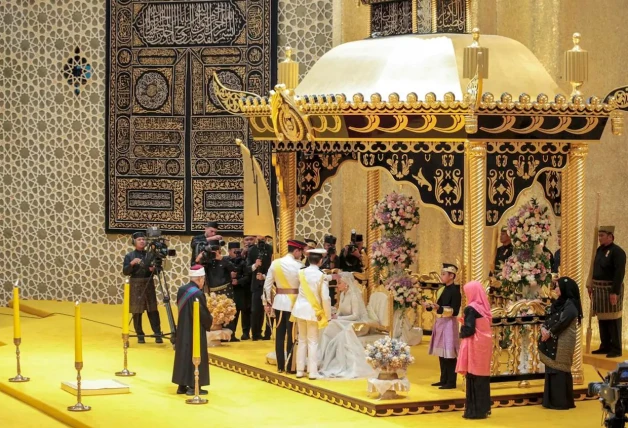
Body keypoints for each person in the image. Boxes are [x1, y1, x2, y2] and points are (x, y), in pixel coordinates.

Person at [318, 272, 375, 379]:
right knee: (327, 324)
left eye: (339, 283)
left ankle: (324, 360)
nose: (337, 285)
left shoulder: (354, 295)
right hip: (345, 321)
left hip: (358, 324)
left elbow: (355, 315)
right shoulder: (343, 294)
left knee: (331, 326)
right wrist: (334, 316)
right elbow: (340, 312)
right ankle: (321, 359)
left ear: (346, 284)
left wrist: (338, 318)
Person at [263, 239, 307, 373]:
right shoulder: (299, 266)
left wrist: (267, 303)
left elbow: (267, 286)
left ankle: (280, 366)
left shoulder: (275, 264)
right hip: (294, 303)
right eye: (301, 252)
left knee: (279, 335)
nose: (302, 255)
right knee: (292, 336)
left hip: (278, 303)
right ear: (296, 251)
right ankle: (290, 366)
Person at [539, 276, 583, 410]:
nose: (555, 289)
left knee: (559, 368)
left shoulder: (571, 305)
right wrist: (543, 328)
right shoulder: (560, 302)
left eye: (557, 286)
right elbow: (551, 318)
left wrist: (549, 333)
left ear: (565, 288)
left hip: (563, 342)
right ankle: (551, 401)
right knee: (553, 368)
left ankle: (559, 402)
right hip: (554, 339)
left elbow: (563, 322)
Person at [172, 265, 213, 396]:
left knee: (183, 354)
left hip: (182, 328)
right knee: (195, 354)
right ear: (200, 278)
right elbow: (202, 314)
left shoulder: (181, 290)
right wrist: (210, 322)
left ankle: (181, 385)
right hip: (195, 329)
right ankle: (193, 386)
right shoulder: (198, 293)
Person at [291, 248, 332, 379]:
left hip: (300, 310)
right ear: (320, 261)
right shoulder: (321, 276)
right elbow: (325, 298)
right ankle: (312, 372)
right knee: (313, 342)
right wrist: (328, 315)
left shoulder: (301, 272)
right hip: (313, 311)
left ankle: (299, 370)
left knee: (302, 340)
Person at [456, 280, 493, 420]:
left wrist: (462, 330)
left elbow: (469, 330)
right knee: (482, 377)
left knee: (473, 376)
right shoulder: (483, 307)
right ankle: (483, 409)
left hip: (474, 346)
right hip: (484, 345)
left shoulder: (470, 308)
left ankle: (474, 411)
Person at [589, 226, 626, 358]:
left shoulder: (618, 252)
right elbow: (595, 269)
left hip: (611, 289)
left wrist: (614, 292)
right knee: (602, 319)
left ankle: (616, 348)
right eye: (599, 236)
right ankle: (605, 345)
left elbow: (619, 273)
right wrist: (590, 284)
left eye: (602, 235)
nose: (599, 238)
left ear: (610, 237)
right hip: (599, 289)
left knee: (613, 319)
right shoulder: (599, 250)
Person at [424, 263, 461, 389]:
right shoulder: (442, 289)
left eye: (444, 274)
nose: (442, 276)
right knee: (441, 352)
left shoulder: (455, 291)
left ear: (451, 276)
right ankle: (443, 379)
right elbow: (438, 306)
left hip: (449, 324)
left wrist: (440, 308)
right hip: (440, 322)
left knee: (449, 353)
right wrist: (430, 306)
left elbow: (454, 311)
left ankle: (451, 381)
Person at [122, 231, 163, 344]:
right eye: (139, 239)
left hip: (148, 282)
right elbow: (125, 272)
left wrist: (153, 270)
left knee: (153, 310)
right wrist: (131, 264)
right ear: (134, 242)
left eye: (143, 239)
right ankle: (140, 334)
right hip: (135, 284)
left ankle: (157, 333)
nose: (142, 241)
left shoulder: (150, 255)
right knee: (137, 311)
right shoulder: (129, 256)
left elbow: (159, 270)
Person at [248, 235, 274, 341]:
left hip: (270, 284)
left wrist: (264, 276)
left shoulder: (271, 249)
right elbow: (247, 267)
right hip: (256, 285)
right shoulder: (252, 250)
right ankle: (255, 334)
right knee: (255, 311)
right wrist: (255, 265)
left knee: (269, 310)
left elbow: (274, 267)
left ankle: (268, 334)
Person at [227, 241, 247, 342]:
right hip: (227, 290)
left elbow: (247, 276)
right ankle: (226, 334)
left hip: (239, 291)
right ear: (229, 251)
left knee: (236, 312)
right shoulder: (225, 261)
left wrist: (238, 281)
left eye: (237, 251)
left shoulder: (242, 262)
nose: (236, 254)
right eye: (234, 251)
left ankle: (233, 334)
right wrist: (229, 278)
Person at [237, 235, 255, 340]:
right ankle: (245, 332)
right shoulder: (239, 253)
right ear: (243, 241)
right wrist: (243, 254)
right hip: (243, 286)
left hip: (254, 284)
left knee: (254, 310)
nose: (249, 242)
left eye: (251, 239)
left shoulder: (257, 251)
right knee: (245, 310)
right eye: (246, 240)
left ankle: (256, 332)